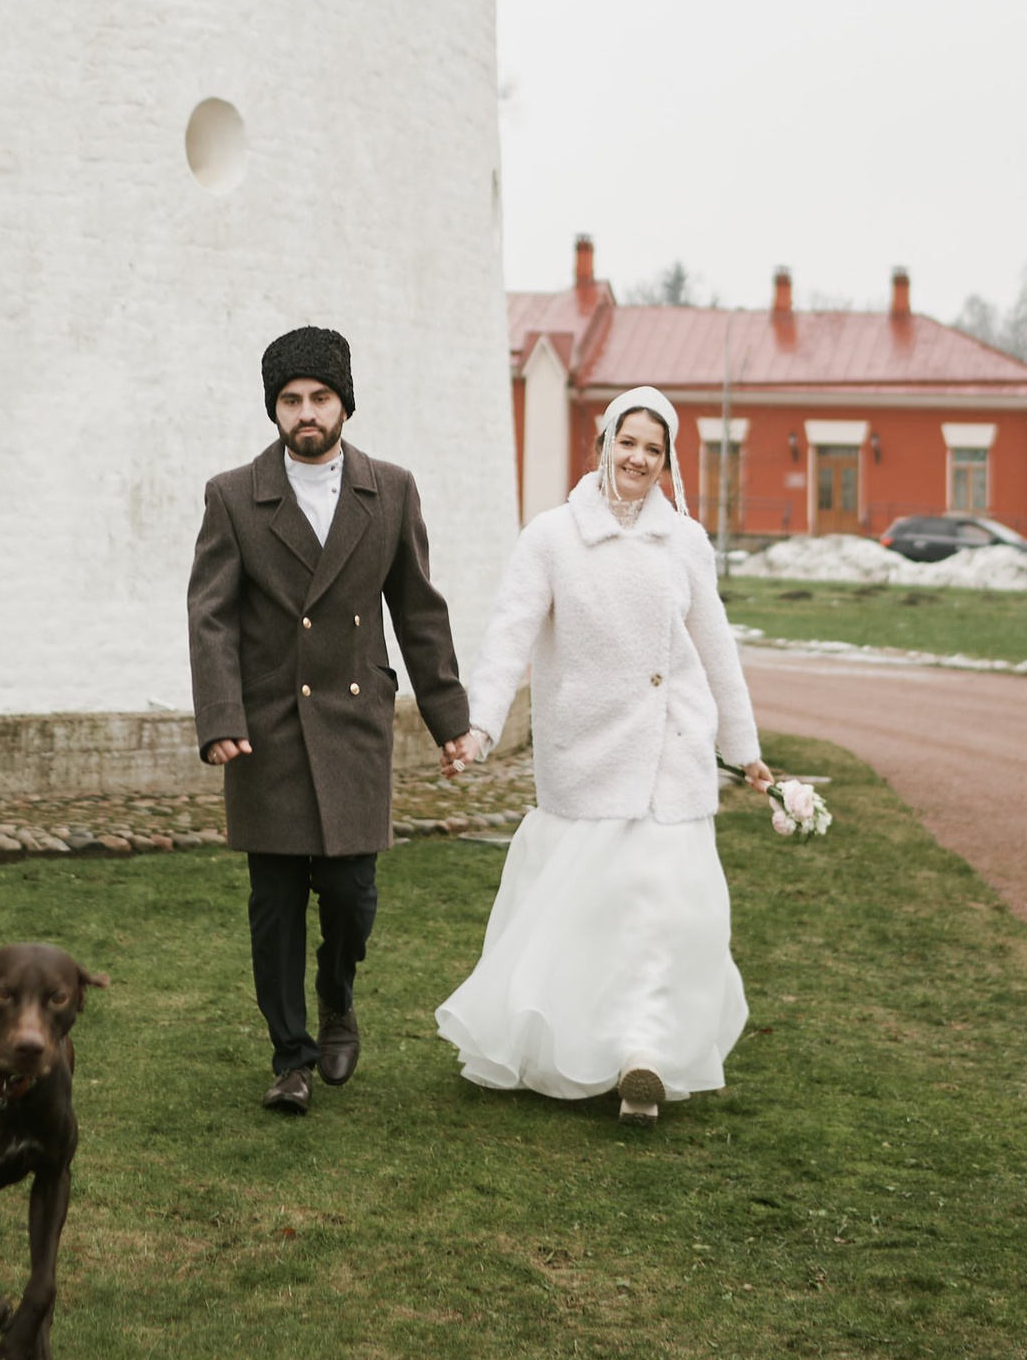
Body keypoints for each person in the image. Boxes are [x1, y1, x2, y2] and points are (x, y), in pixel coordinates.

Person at [436, 386, 773, 1120]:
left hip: (670, 755)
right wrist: (480, 729)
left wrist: (743, 749)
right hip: (586, 753)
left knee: (668, 912)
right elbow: (508, 639)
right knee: (590, 916)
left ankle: (643, 1058)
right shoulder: (552, 537)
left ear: (667, 461)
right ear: (604, 445)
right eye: (629, 443)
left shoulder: (685, 542)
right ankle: (583, 1043)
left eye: (655, 450)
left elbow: (717, 650)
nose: (639, 460)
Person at [187, 325, 472, 1114]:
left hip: (353, 723)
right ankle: (292, 1057)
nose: (305, 413)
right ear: (273, 409)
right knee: (275, 903)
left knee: (350, 895)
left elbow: (419, 610)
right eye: (289, 400)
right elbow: (209, 614)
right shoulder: (234, 496)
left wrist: (450, 718)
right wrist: (219, 715)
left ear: (344, 401)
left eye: (318, 398)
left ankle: (338, 996)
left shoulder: (392, 490)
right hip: (267, 728)